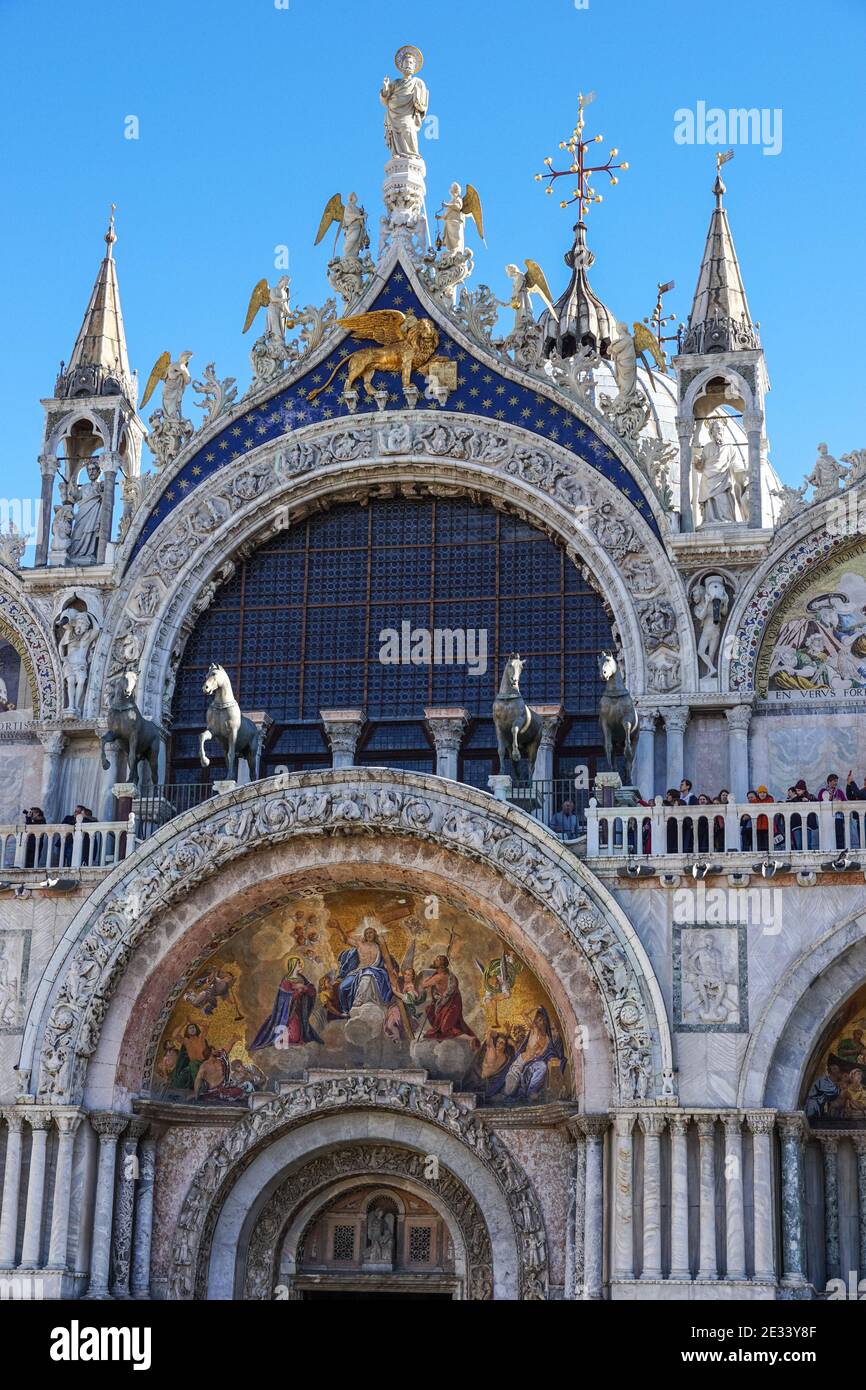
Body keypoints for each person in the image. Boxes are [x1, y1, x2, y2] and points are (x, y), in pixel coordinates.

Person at [251, 956, 322, 1049]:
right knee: (292, 1037)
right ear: (293, 965)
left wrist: (304, 988)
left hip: (299, 1010)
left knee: (297, 1035)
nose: (301, 965)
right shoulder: (286, 980)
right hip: (287, 1013)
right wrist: (297, 991)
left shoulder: (301, 978)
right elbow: (284, 997)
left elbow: (312, 990)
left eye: (300, 963)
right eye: (298, 963)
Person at [818, 772, 848, 849]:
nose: (836, 783)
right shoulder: (823, 791)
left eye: (836, 781)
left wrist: (840, 802)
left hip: (838, 817)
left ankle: (840, 851)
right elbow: (819, 803)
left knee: (839, 835)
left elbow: (846, 804)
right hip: (826, 818)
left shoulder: (839, 792)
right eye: (834, 781)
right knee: (828, 835)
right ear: (829, 782)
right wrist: (829, 799)